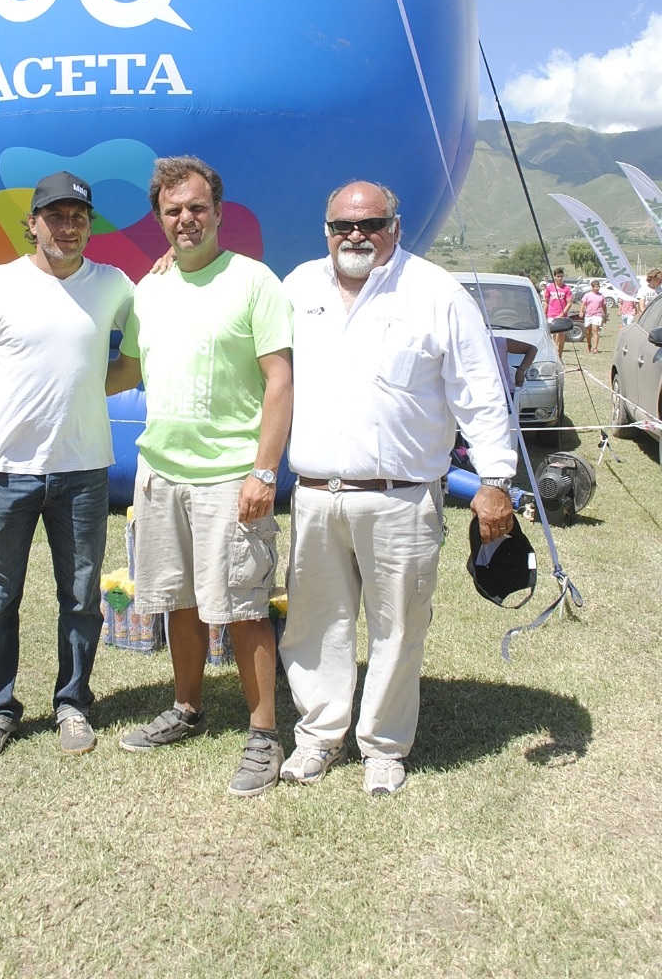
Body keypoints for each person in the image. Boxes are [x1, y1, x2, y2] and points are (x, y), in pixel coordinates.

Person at [278, 181, 515, 797]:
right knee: (314, 623)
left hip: (403, 496)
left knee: (398, 625)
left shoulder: (437, 293)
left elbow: (481, 393)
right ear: (325, 230)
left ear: (397, 227)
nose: (355, 235)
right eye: (341, 226)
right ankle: (318, 737)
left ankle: (383, 746)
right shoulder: (297, 287)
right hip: (313, 493)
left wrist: (494, 480)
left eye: (371, 223)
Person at [105, 156, 293, 798]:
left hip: (230, 478)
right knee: (177, 601)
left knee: (242, 608)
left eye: (196, 208)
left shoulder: (254, 282)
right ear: (159, 218)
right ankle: (187, 708)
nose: (185, 220)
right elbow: (129, 371)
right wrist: (59, 386)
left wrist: (263, 470)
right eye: (172, 210)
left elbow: (279, 381)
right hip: (160, 477)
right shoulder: (148, 289)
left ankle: (264, 734)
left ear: (218, 211)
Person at [0, 171, 134, 765]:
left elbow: (135, 360)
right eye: (55, 216)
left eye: (78, 217)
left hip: (83, 471)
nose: (68, 227)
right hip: (5, 472)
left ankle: (72, 702)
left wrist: (82, 392)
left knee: (79, 597)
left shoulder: (114, 285)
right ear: (32, 223)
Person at [542, 268, 572, 357]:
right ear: (554, 276)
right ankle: (552, 355)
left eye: (561, 276)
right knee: (552, 336)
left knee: (561, 336)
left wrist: (562, 314)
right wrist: (544, 313)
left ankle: (560, 355)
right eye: (558, 276)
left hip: (562, 316)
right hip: (551, 314)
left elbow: (569, 303)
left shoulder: (566, 288)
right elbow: (546, 301)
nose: (560, 278)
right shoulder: (550, 287)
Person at [579, 280, 607, 353]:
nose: (597, 288)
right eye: (596, 287)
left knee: (595, 330)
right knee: (588, 332)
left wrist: (605, 314)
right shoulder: (587, 295)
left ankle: (595, 348)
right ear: (592, 287)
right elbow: (583, 304)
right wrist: (581, 311)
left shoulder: (601, 295)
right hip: (588, 315)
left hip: (597, 314)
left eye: (598, 287)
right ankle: (589, 344)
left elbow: (604, 306)